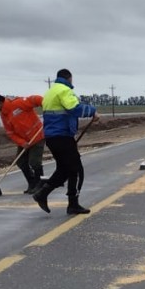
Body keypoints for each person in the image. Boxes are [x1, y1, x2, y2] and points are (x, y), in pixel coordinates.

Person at [31, 69, 97, 215]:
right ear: (69, 78)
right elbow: (74, 108)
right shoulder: (64, 90)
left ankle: (42, 194)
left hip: (52, 137)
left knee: (64, 169)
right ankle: (72, 204)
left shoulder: (50, 92)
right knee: (76, 169)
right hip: (62, 136)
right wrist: (93, 111)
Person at [0, 92, 45, 192]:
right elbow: (10, 133)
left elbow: (36, 99)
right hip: (24, 141)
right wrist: (22, 142)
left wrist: (46, 106)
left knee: (34, 162)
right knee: (21, 162)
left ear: (0, 103)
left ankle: (39, 184)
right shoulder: (4, 115)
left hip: (37, 137)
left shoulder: (18, 103)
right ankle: (32, 183)